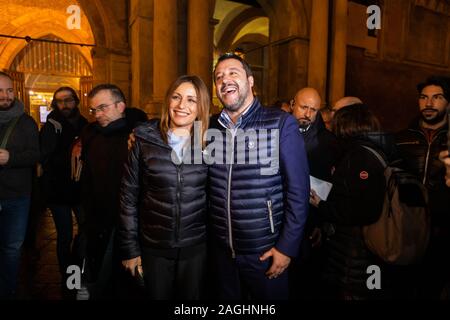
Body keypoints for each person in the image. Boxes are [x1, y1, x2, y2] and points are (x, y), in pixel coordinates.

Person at [208, 53, 310, 300]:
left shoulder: (280, 123)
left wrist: (286, 247)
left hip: (264, 253)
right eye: (219, 76)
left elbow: (299, 191)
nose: (225, 80)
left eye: (233, 73)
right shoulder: (211, 127)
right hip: (222, 254)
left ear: (251, 81)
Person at [119, 75, 210, 300]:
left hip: (195, 247)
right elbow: (128, 197)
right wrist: (130, 249)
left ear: (201, 107)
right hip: (154, 246)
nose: (182, 106)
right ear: (167, 101)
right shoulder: (144, 140)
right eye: (176, 97)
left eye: (191, 100)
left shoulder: (212, 142)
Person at [309, 105, 388, 299]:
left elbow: (361, 210)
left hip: (355, 254)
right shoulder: (369, 151)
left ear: (347, 125)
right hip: (356, 252)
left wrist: (321, 204)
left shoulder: (360, 157)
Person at [79, 84, 147, 299]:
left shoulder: (138, 135)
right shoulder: (91, 135)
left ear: (120, 106)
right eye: (94, 110)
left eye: (103, 108)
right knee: (98, 276)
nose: (98, 114)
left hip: (128, 223)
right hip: (98, 219)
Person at [395, 76, 450, 298]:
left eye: (437, 98)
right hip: (406, 226)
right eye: (423, 98)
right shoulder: (401, 138)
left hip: (443, 229)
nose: (428, 103)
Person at [289, 87, 339, 299]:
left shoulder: (327, 142)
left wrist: (320, 222)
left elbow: (327, 185)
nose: (307, 114)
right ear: (292, 104)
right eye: (303, 107)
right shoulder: (275, 129)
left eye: (313, 110)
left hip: (309, 221)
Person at [39, 87, 88, 286]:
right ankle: (68, 277)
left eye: (68, 100)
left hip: (79, 189)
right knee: (64, 234)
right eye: (60, 101)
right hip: (58, 190)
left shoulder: (85, 124)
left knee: (86, 229)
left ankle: (80, 268)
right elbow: (45, 157)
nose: (65, 104)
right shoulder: (51, 125)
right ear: (55, 103)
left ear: (76, 101)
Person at [0, 71, 39, 298]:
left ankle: (8, 291)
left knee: (12, 250)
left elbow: (35, 154)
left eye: (9, 90)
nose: (6, 96)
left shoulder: (26, 121)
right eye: (1, 92)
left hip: (17, 197)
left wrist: (10, 158)